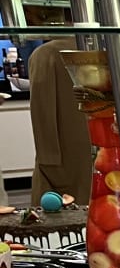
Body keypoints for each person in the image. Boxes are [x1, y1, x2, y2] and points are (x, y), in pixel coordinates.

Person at [27, 34, 92, 206]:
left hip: (63, 148)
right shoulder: (103, 47)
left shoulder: (45, 54)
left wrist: (47, 158)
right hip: (101, 141)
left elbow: (42, 109)